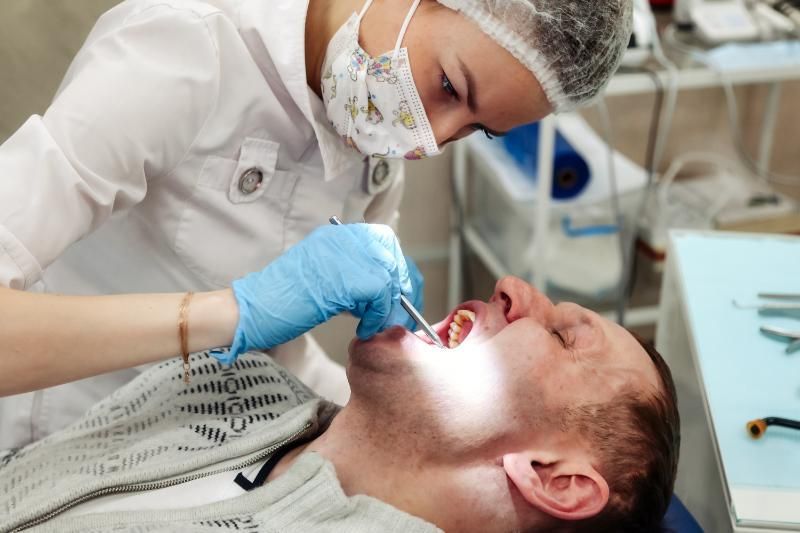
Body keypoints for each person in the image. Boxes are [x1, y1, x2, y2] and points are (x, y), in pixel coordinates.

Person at [0, 0, 633, 451]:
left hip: (193, 443)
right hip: (45, 434)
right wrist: (234, 313)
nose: (430, 139)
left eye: (476, 127)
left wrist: (393, 415)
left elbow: (279, 350)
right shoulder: (184, 49)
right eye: (448, 86)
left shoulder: (373, 130)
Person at [0, 276, 680, 533]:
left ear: (555, 477)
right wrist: (219, 313)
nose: (510, 286)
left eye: (562, 334)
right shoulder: (234, 380)